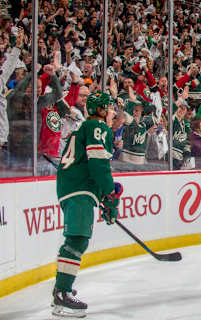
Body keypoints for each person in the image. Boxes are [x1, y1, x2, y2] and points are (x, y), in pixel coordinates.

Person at [52, 92, 120, 317]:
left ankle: (62, 288)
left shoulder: (84, 128)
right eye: (109, 108)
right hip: (78, 188)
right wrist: (109, 194)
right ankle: (62, 294)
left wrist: (102, 196)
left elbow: (92, 165)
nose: (112, 112)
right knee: (77, 239)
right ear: (100, 111)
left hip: (73, 186)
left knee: (77, 238)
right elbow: (99, 163)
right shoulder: (97, 127)